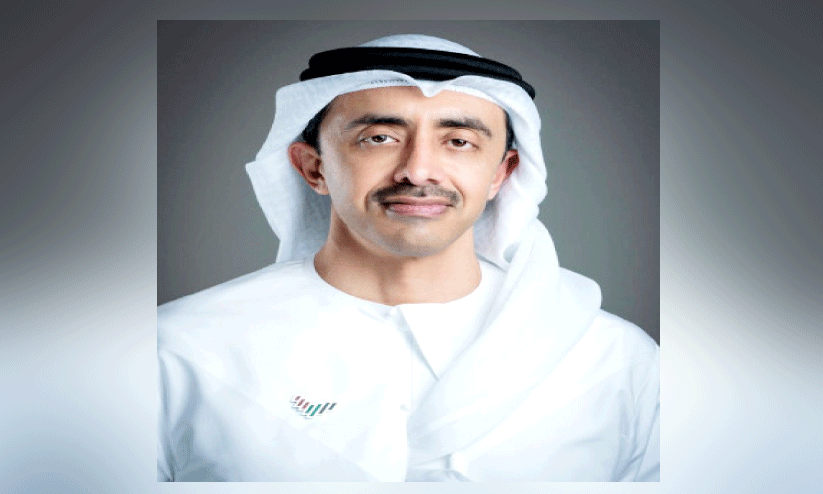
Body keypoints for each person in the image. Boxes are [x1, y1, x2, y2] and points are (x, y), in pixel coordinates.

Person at [157, 33, 659, 482]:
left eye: (459, 142)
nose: (418, 170)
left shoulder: (615, 361)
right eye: (379, 138)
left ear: (500, 174)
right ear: (313, 168)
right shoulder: (180, 349)